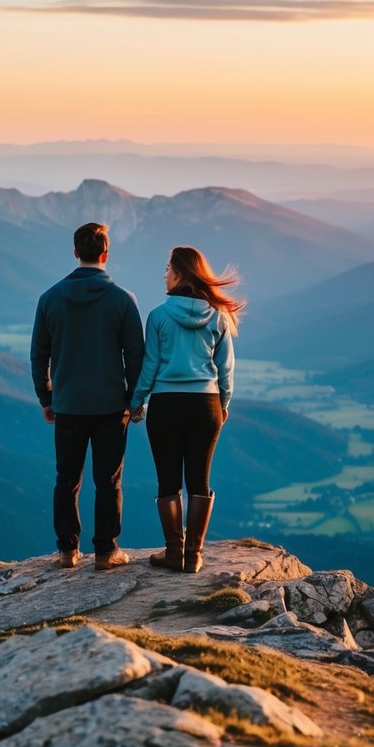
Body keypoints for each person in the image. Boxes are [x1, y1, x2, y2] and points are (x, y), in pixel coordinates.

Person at [31, 221, 144, 571]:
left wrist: (46, 398)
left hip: (68, 406)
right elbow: (135, 355)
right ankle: (107, 552)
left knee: (67, 478)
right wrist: (134, 399)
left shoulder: (49, 298)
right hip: (112, 406)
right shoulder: (123, 300)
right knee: (108, 480)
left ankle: (67, 551)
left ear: (76, 252)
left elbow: (39, 355)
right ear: (106, 254)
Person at [129, 246, 245, 574]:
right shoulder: (218, 317)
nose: (164, 275)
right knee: (200, 478)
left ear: (180, 274)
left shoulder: (158, 316)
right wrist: (223, 405)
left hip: (166, 404)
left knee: (168, 479)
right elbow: (226, 369)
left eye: (168, 269)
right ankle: (193, 556)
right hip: (206, 405)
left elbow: (149, 366)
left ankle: (173, 552)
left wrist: (136, 401)